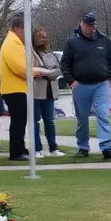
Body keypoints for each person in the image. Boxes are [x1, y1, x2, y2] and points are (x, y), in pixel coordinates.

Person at [60, 12, 111, 160]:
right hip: (81, 85)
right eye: (88, 25)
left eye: (93, 25)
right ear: (81, 24)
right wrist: (72, 81)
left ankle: (106, 147)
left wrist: (110, 79)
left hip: (101, 84)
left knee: (104, 115)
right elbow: (65, 64)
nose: (91, 28)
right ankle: (83, 147)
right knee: (82, 118)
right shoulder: (72, 42)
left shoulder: (104, 40)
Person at [0, 11, 33, 161]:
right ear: (18, 28)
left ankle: (20, 148)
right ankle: (16, 152)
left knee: (20, 120)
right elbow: (20, 68)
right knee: (18, 121)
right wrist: (36, 72)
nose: (28, 34)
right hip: (14, 89)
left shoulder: (16, 43)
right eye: (26, 29)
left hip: (17, 88)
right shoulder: (11, 43)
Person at [30, 27, 65, 159]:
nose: (43, 40)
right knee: (35, 120)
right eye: (40, 37)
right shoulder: (30, 53)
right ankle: (37, 148)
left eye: (44, 37)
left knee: (49, 120)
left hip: (50, 90)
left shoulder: (50, 54)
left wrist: (48, 72)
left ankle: (53, 147)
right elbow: (33, 69)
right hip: (36, 90)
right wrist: (44, 72)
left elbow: (57, 69)